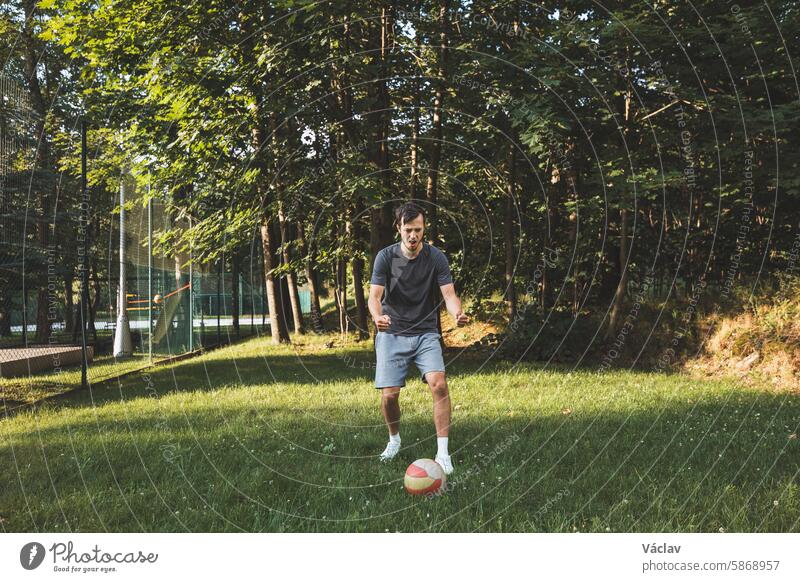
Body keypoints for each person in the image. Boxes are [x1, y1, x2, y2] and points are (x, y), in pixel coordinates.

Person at [368, 202, 469, 475]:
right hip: (392, 332)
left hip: (425, 332)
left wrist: (457, 312)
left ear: (424, 229)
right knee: (389, 396)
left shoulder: (436, 258)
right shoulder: (385, 258)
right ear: (399, 228)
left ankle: (443, 452)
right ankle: (394, 440)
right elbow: (374, 297)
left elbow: (449, 294)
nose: (413, 236)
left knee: (438, 383)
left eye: (418, 230)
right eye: (409, 230)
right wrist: (378, 317)